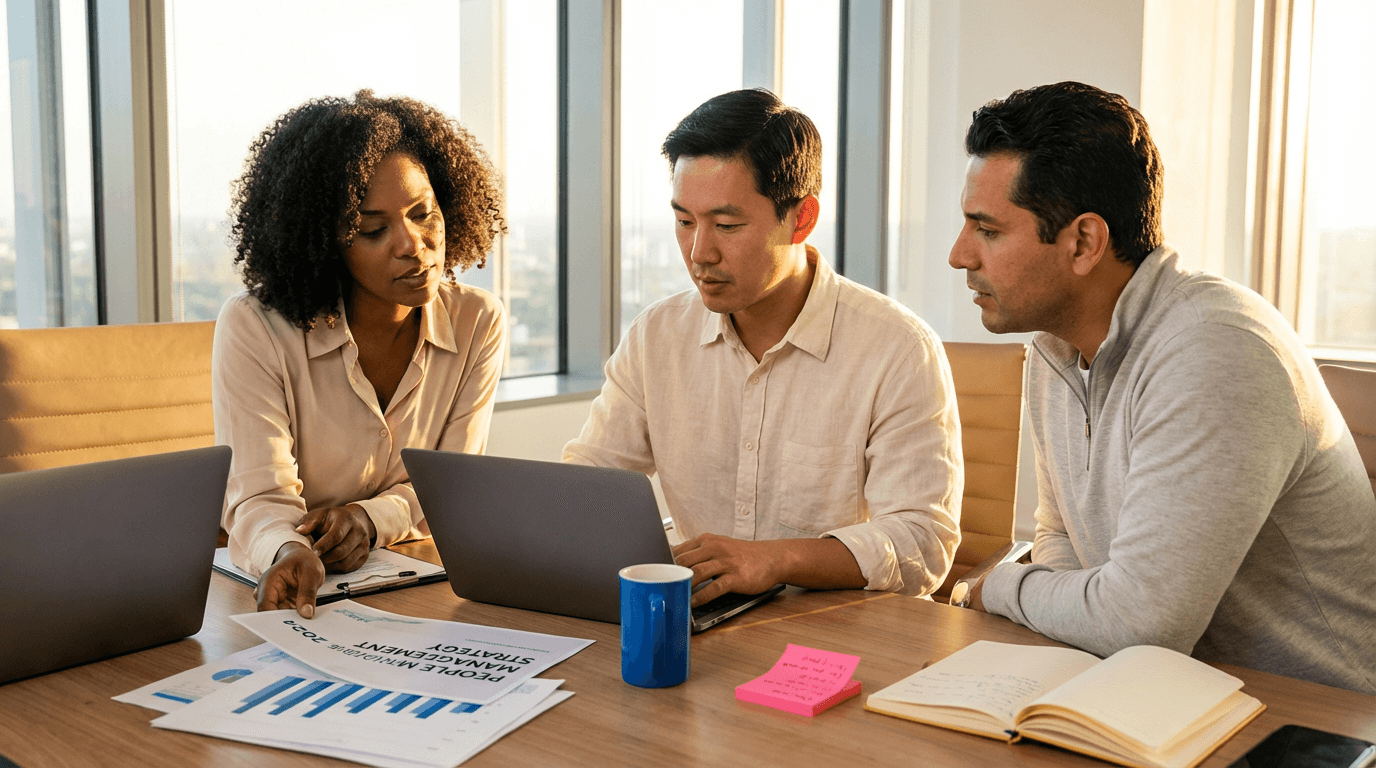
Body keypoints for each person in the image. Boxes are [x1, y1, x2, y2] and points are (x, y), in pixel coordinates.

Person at [947, 81, 1376, 692]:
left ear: (1084, 243)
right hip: (1166, 693)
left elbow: (1141, 622)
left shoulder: (1216, 348)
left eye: (987, 231)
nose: (959, 255)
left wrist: (999, 586)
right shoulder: (1055, 348)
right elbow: (1063, 534)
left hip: (1317, 721)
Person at [563, 89, 962, 606]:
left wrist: (776, 558)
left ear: (801, 218)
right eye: (685, 221)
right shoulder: (657, 336)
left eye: (727, 226)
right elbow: (589, 484)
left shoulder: (897, 349)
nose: (699, 252)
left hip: (840, 631)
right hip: (703, 621)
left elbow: (922, 542)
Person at [213, 91, 507, 618]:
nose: (413, 244)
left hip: (416, 598)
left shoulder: (477, 322)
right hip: (294, 602)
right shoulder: (256, 327)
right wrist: (289, 549)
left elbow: (452, 489)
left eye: (425, 214)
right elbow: (257, 497)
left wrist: (370, 520)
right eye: (372, 230)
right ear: (326, 243)